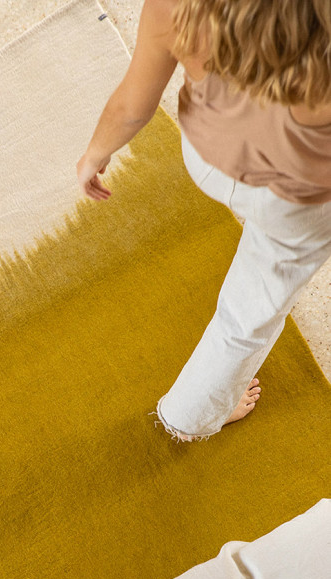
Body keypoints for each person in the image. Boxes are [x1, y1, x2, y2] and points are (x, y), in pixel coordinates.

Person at [77, 0, 331, 440]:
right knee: (251, 309)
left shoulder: (174, 6)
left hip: (211, 161)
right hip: (294, 199)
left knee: (264, 230)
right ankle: (190, 414)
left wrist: (93, 155)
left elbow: (131, 109)